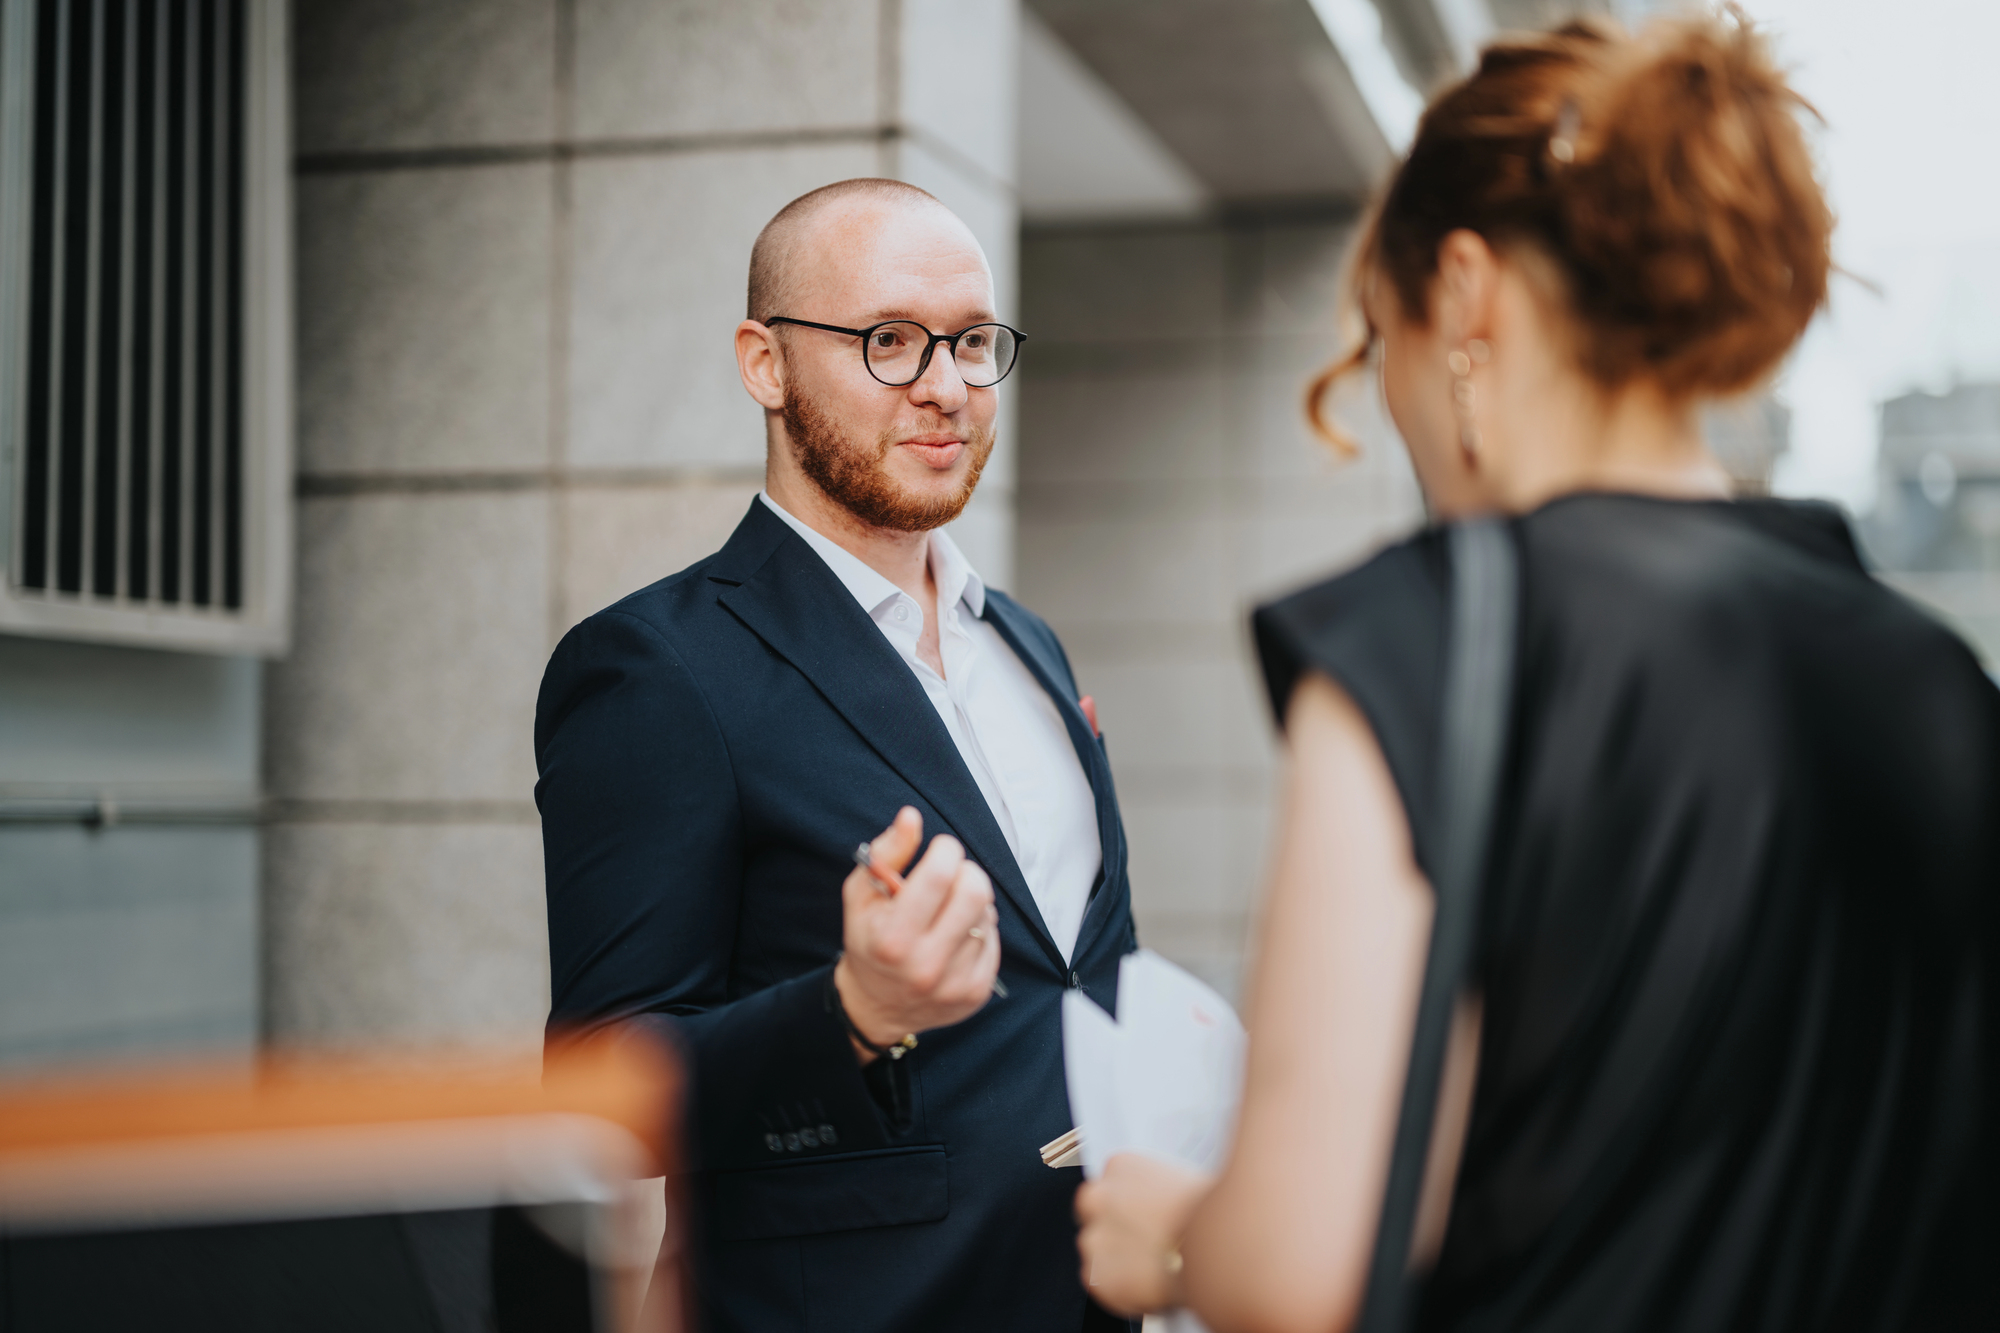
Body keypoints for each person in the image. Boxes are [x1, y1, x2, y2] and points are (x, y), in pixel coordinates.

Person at [1076, 13, 1999, 1332]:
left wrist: (1172, 1235)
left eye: (1376, 336)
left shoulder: (1432, 635)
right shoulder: (1939, 681)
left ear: (1461, 296)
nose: (1385, 398)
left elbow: (1298, 1265)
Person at [535, 178, 1138, 1333]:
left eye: (970, 342)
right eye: (888, 341)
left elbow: (1078, 975)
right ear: (764, 364)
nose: (945, 386)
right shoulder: (655, 669)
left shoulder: (1028, 642)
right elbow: (596, 1096)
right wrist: (852, 1009)